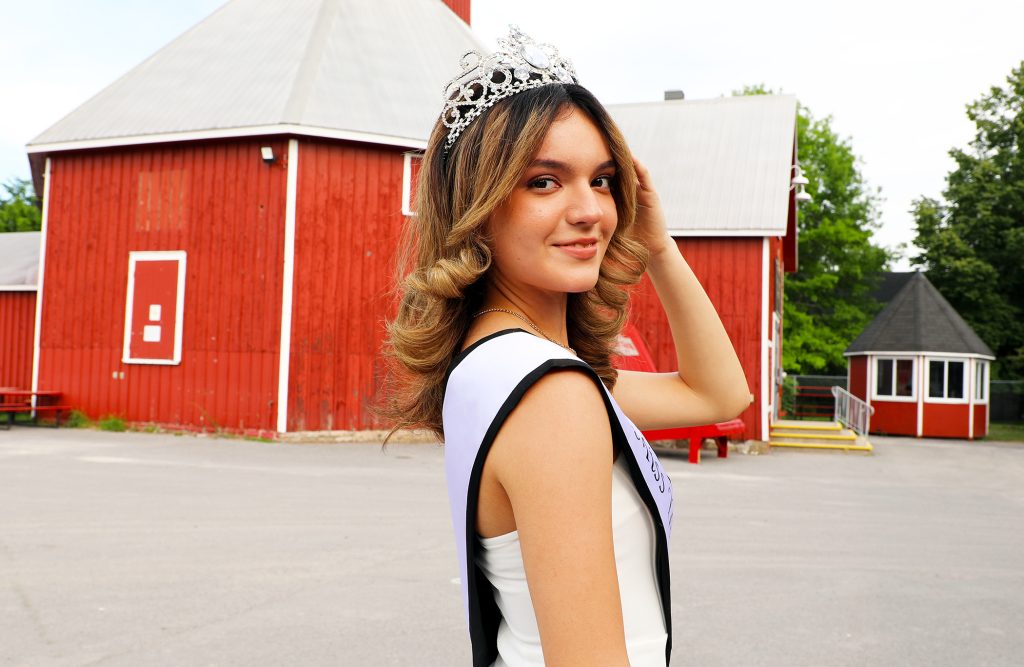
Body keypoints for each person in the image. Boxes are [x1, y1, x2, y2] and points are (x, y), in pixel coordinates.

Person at [382, 26, 749, 667]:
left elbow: (716, 394)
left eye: (603, 181)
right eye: (545, 182)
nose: (590, 210)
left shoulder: (499, 364)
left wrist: (657, 245)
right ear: (480, 204)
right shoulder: (550, 393)